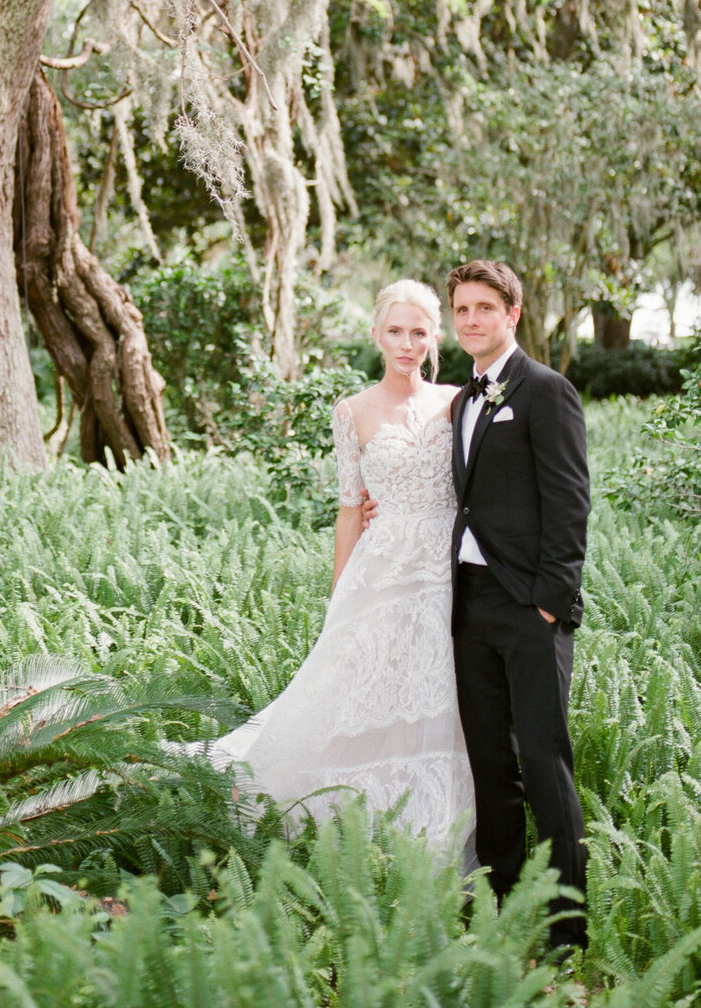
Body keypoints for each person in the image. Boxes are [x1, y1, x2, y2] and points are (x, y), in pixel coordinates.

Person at [201, 279, 475, 850]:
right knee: (365, 690)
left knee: (439, 696)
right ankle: (353, 820)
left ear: (435, 338)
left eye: (418, 333)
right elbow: (351, 510)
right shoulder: (351, 412)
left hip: (447, 575)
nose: (406, 344)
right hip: (381, 573)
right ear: (376, 335)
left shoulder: (456, 402)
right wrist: (341, 597)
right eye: (395, 331)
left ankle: (436, 826)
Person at [445, 258, 590, 953]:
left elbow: (569, 502)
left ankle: (567, 924)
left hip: (530, 607)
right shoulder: (459, 401)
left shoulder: (546, 391)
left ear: (513, 314)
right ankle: (499, 900)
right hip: (469, 605)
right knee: (489, 762)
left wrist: (550, 604)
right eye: (462, 308)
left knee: (543, 759)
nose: (471, 319)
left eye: (484, 307)